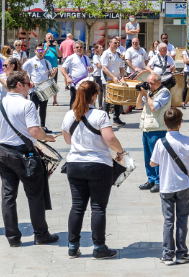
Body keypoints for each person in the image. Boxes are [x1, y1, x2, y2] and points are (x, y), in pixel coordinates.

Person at [0, 70, 59, 247]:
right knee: (35, 196)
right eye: (28, 83)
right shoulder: (27, 105)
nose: (30, 86)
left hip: (3, 151)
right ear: (19, 85)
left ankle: (13, 238)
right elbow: (34, 131)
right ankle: (41, 234)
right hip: (24, 154)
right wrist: (47, 137)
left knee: (8, 196)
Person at [61, 80, 124, 259]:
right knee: (98, 208)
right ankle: (99, 247)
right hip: (98, 164)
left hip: (74, 164)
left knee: (77, 207)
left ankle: (73, 247)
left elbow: (67, 140)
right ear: (95, 96)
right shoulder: (100, 115)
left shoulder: (69, 115)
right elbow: (110, 138)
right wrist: (120, 152)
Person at [149, 108, 189, 265]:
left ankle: (168, 254)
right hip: (182, 185)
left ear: (164, 123)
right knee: (182, 219)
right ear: (180, 123)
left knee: (168, 221)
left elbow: (152, 163)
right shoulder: (186, 140)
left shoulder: (160, 142)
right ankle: (181, 253)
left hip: (166, 186)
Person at [137, 73, 172, 192]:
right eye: (148, 83)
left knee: (157, 157)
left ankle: (159, 181)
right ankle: (151, 179)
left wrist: (146, 95)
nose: (149, 85)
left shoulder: (164, 92)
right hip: (147, 128)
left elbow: (154, 107)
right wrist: (140, 93)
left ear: (159, 82)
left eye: (151, 83)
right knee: (148, 157)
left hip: (158, 129)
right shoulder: (150, 93)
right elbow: (137, 106)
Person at [23, 47, 56, 130]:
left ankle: (42, 126)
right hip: (34, 89)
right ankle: (32, 126)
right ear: (35, 51)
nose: (40, 52)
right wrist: (28, 81)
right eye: (39, 50)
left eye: (42, 50)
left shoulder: (47, 62)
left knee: (43, 108)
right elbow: (22, 71)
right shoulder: (31, 61)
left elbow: (51, 76)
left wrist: (54, 73)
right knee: (33, 108)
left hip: (44, 89)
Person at [100, 38, 125, 126]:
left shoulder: (118, 54)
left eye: (118, 43)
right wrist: (113, 77)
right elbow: (104, 68)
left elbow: (121, 67)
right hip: (108, 80)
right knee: (107, 100)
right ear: (109, 43)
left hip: (117, 80)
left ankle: (116, 118)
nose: (117, 44)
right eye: (115, 43)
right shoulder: (106, 53)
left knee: (117, 99)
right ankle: (104, 120)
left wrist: (122, 77)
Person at [61, 43, 92, 108]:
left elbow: (91, 69)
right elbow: (63, 68)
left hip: (84, 84)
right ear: (74, 49)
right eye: (77, 47)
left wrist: (91, 69)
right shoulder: (71, 57)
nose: (79, 49)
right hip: (74, 84)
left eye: (81, 47)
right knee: (74, 103)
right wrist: (67, 78)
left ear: (83, 48)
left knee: (84, 103)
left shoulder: (86, 58)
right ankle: (72, 117)